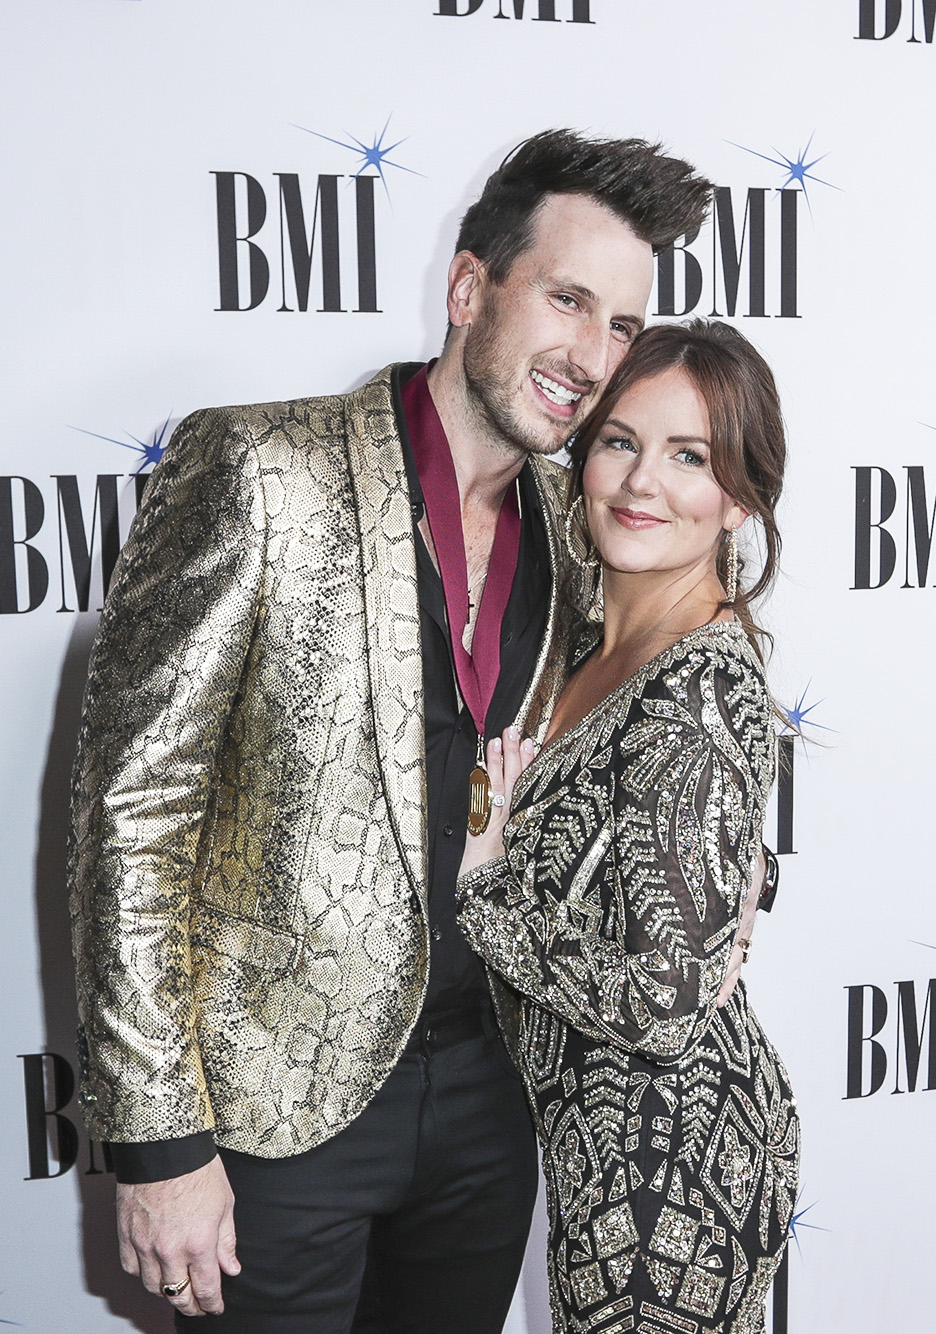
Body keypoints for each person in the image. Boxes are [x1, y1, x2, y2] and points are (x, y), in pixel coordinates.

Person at [68, 130, 714, 1332]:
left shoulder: (581, 539)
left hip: (487, 1098)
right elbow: (131, 813)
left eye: (621, 325)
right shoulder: (262, 467)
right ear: (471, 288)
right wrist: (156, 1143)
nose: (591, 356)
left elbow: (652, 713)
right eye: (568, 299)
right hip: (279, 1110)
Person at [458, 319, 799, 1333]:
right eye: (620, 440)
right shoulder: (601, 642)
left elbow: (662, 1006)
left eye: (688, 456)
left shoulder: (699, 680)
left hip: (668, 1167)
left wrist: (483, 891)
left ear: (736, 496)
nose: (640, 480)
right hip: (605, 1146)